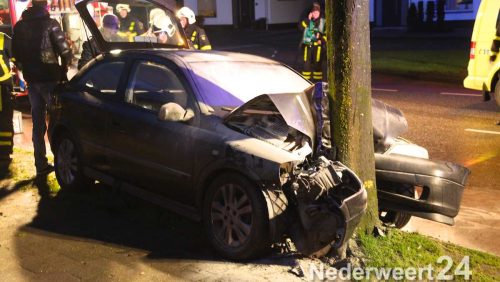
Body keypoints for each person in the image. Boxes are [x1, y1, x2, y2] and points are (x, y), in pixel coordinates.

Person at [12, 0, 72, 176]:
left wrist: (26, 71)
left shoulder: (19, 26)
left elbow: (16, 55)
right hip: (50, 79)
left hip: (32, 81)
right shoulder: (51, 23)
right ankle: (62, 163)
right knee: (58, 120)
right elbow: (66, 52)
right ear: (45, 6)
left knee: (38, 123)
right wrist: (63, 71)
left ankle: (40, 164)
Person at [299, 2, 326, 82]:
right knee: (306, 68)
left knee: (318, 68)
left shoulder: (323, 22)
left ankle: (318, 90)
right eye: (314, 12)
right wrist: (308, 20)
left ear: (319, 12)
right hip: (308, 47)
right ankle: (306, 86)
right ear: (311, 12)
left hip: (318, 48)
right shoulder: (307, 21)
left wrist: (321, 40)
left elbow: (326, 34)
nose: (315, 13)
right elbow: (300, 26)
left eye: (317, 12)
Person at [0, 32, 13, 175]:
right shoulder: (3, 38)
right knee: (4, 121)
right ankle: (3, 154)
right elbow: (17, 58)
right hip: (3, 87)